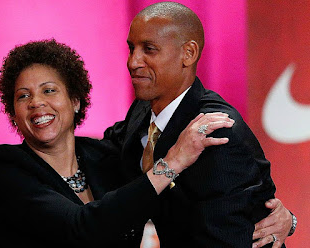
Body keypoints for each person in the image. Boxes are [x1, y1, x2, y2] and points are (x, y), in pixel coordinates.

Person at [0, 39, 235, 247]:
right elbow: (81, 228)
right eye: (23, 96)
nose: (36, 102)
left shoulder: (106, 154)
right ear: (13, 113)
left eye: (49, 90)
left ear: (75, 101)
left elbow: (179, 204)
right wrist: (172, 162)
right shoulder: (3, 167)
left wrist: (265, 211)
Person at [102, 2, 296, 247]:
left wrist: (289, 220)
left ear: (189, 53)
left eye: (149, 50)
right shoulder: (144, 109)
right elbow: (105, 149)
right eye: (131, 48)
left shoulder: (218, 134)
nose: (133, 62)